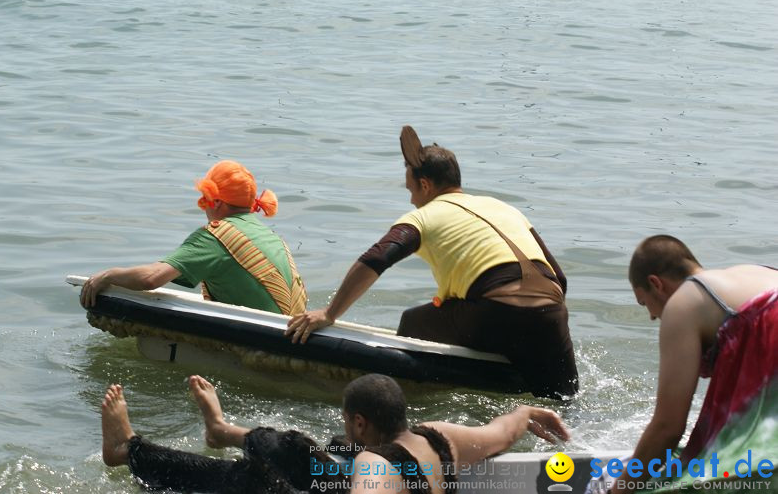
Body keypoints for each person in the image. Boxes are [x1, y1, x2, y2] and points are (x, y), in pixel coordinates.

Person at [285, 126, 577, 398]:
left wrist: (330, 314)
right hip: (551, 314)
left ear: (425, 185)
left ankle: (402, 401)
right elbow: (559, 279)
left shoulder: (422, 218)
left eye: (411, 190)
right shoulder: (504, 208)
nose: (411, 199)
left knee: (412, 321)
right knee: (563, 399)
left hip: (492, 313)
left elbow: (374, 259)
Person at [100, 373, 570, 494]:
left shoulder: (372, 468)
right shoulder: (439, 437)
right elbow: (501, 433)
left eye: (348, 420)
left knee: (248, 478)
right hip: (333, 479)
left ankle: (127, 451)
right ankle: (223, 431)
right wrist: (528, 410)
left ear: (361, 420)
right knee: (310, 456)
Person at [611, 235, 778, 493]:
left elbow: (668, 427)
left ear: (656, 284)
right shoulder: (755, 273)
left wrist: (619, 490)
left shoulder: (685, 301)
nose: (653, 317)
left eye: (645, 304)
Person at [80, 160, 306, 316]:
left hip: (268, 336)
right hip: (290, 326)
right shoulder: (270, 235)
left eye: (204, 198)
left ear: (216, 202)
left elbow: (151, 278)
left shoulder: (215, 237)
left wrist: (107, 276)